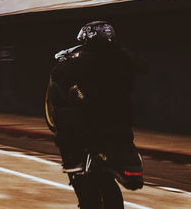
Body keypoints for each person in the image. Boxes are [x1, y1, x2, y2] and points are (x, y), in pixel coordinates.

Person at [49, 20, 146, 190]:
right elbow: (143, 67)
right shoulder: (123, 55)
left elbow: (58, 75)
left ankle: (73, 160)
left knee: (61, 115)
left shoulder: (88, 56)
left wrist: (64, 63)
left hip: (94, 115)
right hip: (122, 116)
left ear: (90, 38)